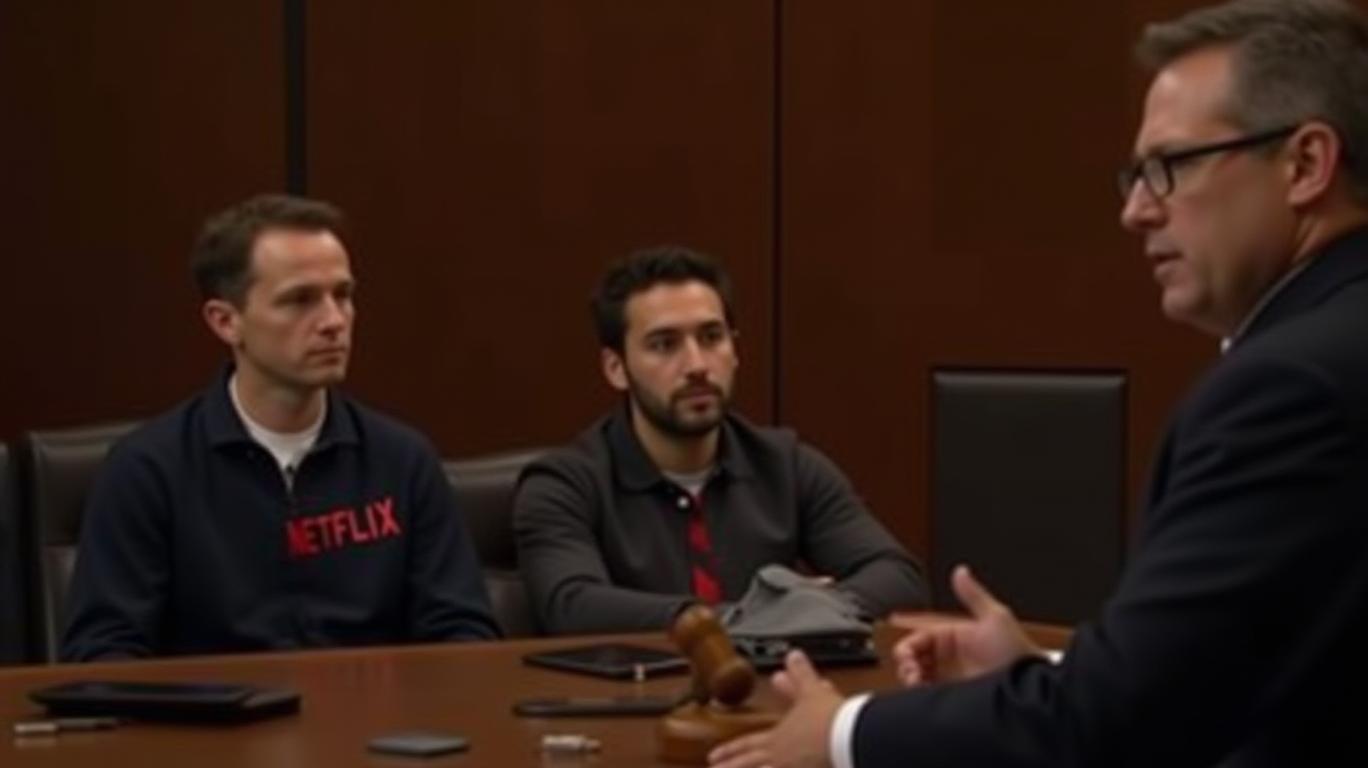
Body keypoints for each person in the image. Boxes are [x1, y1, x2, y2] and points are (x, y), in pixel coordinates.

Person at [709, 0, 1368, 765]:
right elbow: (1272, 673)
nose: (1135, 211)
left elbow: (1120, 725)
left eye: (1170, 166)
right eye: (1134, 176)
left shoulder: (1288, 389)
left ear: (1305, 164)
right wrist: (1047, 672)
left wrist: (839, 734)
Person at [62, 194, 500, 660]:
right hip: (215, 706)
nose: (334, 321)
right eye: (299, 300)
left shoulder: (402, 461)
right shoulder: (148, 470)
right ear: (226, 322)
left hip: (372, 706)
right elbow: (102, 654)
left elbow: (465, 635)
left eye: (343, 295)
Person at [513, 246, 927, 635]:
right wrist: (749, 617)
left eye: (711, 337)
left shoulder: (787, 465)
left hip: (774, 684)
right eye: (664, 344)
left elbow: (898, 577)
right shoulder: (563, 485)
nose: (697, 365)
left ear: (735, 349)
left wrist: (816, 609)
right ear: (616, 368)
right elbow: (572, 606)